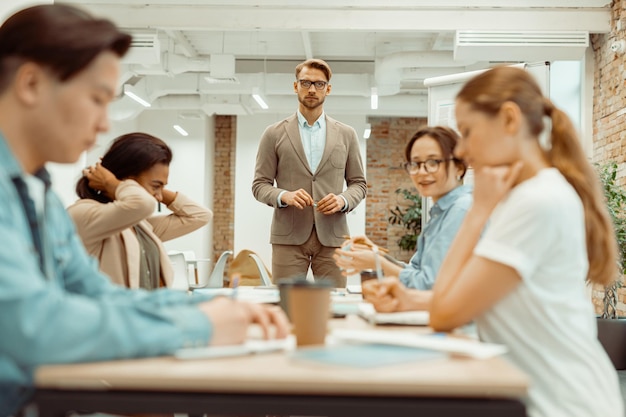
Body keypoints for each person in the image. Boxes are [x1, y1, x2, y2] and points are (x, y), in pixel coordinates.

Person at [0, 5, 288, 416]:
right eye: (97, 99)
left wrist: (214, 308)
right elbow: (33, 327)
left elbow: (99, 295)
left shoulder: (38, 193)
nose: (103, 124)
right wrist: (201, 326)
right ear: (31, 83)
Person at [376, 66, 624, 417]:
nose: (461, 148)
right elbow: (485, 296)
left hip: (565, 404)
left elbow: (446, 313)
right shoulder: (527, 196)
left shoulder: (537, 201)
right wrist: (412, 299)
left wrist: (478, 210)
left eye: (468, 131)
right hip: (540, 396)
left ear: (509, 119)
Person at [252, 58, 367, 287]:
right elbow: (259, 185)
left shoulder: (346, 134)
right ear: (295, 86)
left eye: (319, 84)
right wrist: (284, 196)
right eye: (305, 83)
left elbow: (359, 184)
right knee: (287, 306)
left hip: (333, 237)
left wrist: (343, 200)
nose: (312, 89)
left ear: (328, 89)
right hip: (288, 237)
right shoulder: (273, 134)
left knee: (333, 307)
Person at [334, 126, 471, 311]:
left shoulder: (460, 210)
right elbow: (415, 271)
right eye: (415, 164)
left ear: (459, 166)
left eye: (433, 162)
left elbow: (428, 286)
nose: (422, 172)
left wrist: (377, 262)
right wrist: (376, 254)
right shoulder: (441, 211)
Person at [68, 132, 211, 290]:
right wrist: (113, 182)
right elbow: (143, 204)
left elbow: (200, 215)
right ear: (123, 180)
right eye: (156, 186)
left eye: (163, 187)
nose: (159, 196)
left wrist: (156, 189)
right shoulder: (85, 214)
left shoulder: (141, 226)